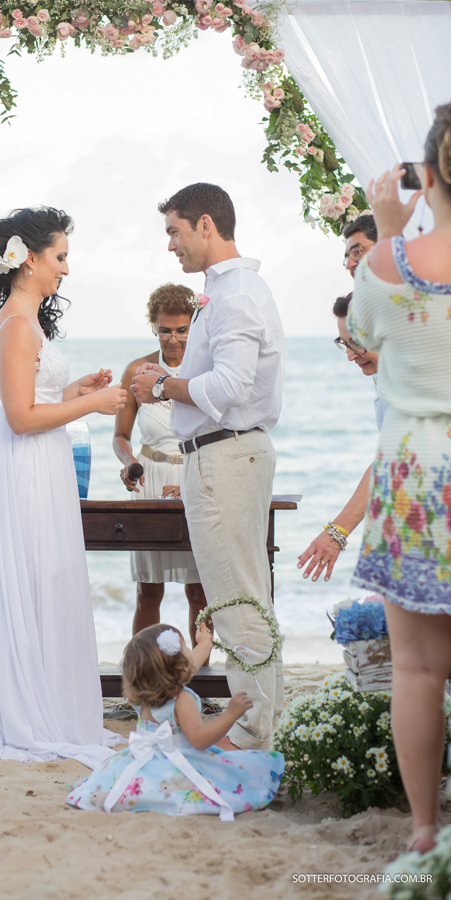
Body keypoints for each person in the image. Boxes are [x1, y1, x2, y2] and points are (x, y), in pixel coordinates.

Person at [0, 206, 127, 767]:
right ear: (28, 259)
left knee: (47, 577)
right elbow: (22, 417)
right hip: (27, 465)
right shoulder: (18, 327)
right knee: (35, 575)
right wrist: (94, 405)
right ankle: (32, 711)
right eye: (60, 257)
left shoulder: (22, 322)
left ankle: (53, 702)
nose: (65, 269)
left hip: (40, 462)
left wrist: (76, 390)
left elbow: (37, 400)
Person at [132, 183, 285, 751]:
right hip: (229, 453)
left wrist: (161, 385)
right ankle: (262, 722)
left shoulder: (236, 293)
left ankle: (249, 735)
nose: (170, 245)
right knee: (247, 594)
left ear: (204, 224)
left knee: (235, 599)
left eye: (174, 231)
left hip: (224, 455)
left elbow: (230, 385)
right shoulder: (226, 290)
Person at [347, 104, 451, 853]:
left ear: (430, 175)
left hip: (414, 474)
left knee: (416, 668)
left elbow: (362, 336)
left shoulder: (385, 266)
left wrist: (388, 233)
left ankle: (422, 830)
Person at [66, 623, 284, 817]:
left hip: (144, 758)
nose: (189, 651)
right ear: (177, 665)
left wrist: (204, 644)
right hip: (180, 759)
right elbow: (199, 739)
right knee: (241, 772)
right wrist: (230, 714)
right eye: (185, 646)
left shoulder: (143, 694)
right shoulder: (182, 700)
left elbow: (188, 665)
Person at [113, 283, 207, 647]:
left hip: (195, 478)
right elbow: (121, 436)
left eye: (182, 330)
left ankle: (199, 670)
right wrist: (129, 463)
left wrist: (193, 483)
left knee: (199, 592)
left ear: (194, 326)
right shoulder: (136, 371)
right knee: (148, 592)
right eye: (165, 330)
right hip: (150, 481)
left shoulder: (205, 370)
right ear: (153, 325)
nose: (173, 339)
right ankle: (143, 671)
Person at [297, 292, 387, 582]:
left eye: (357, 343)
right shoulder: (387, 375)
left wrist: (337, 533)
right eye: (344, 344)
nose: (350, 355)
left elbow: (391, 461)